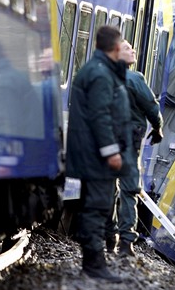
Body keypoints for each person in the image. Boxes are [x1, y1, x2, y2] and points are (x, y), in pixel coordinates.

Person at [65, 26, 133, 282]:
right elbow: (100, 116)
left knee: (96, 207)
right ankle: (93, 264)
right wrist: (111, 151)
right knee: (97, 208)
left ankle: (94, 262)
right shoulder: (101, 75)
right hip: (96, 157)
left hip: (92, 154)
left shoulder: (98, 70)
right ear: (115, 48)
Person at [105, 41, 163, 256]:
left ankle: (109, 236)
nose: (133, 51)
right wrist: (158, 128)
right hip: (128, 141)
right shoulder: (134, 78)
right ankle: (126, 242)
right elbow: (152, 107)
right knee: (129, 189)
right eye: (128, 49)